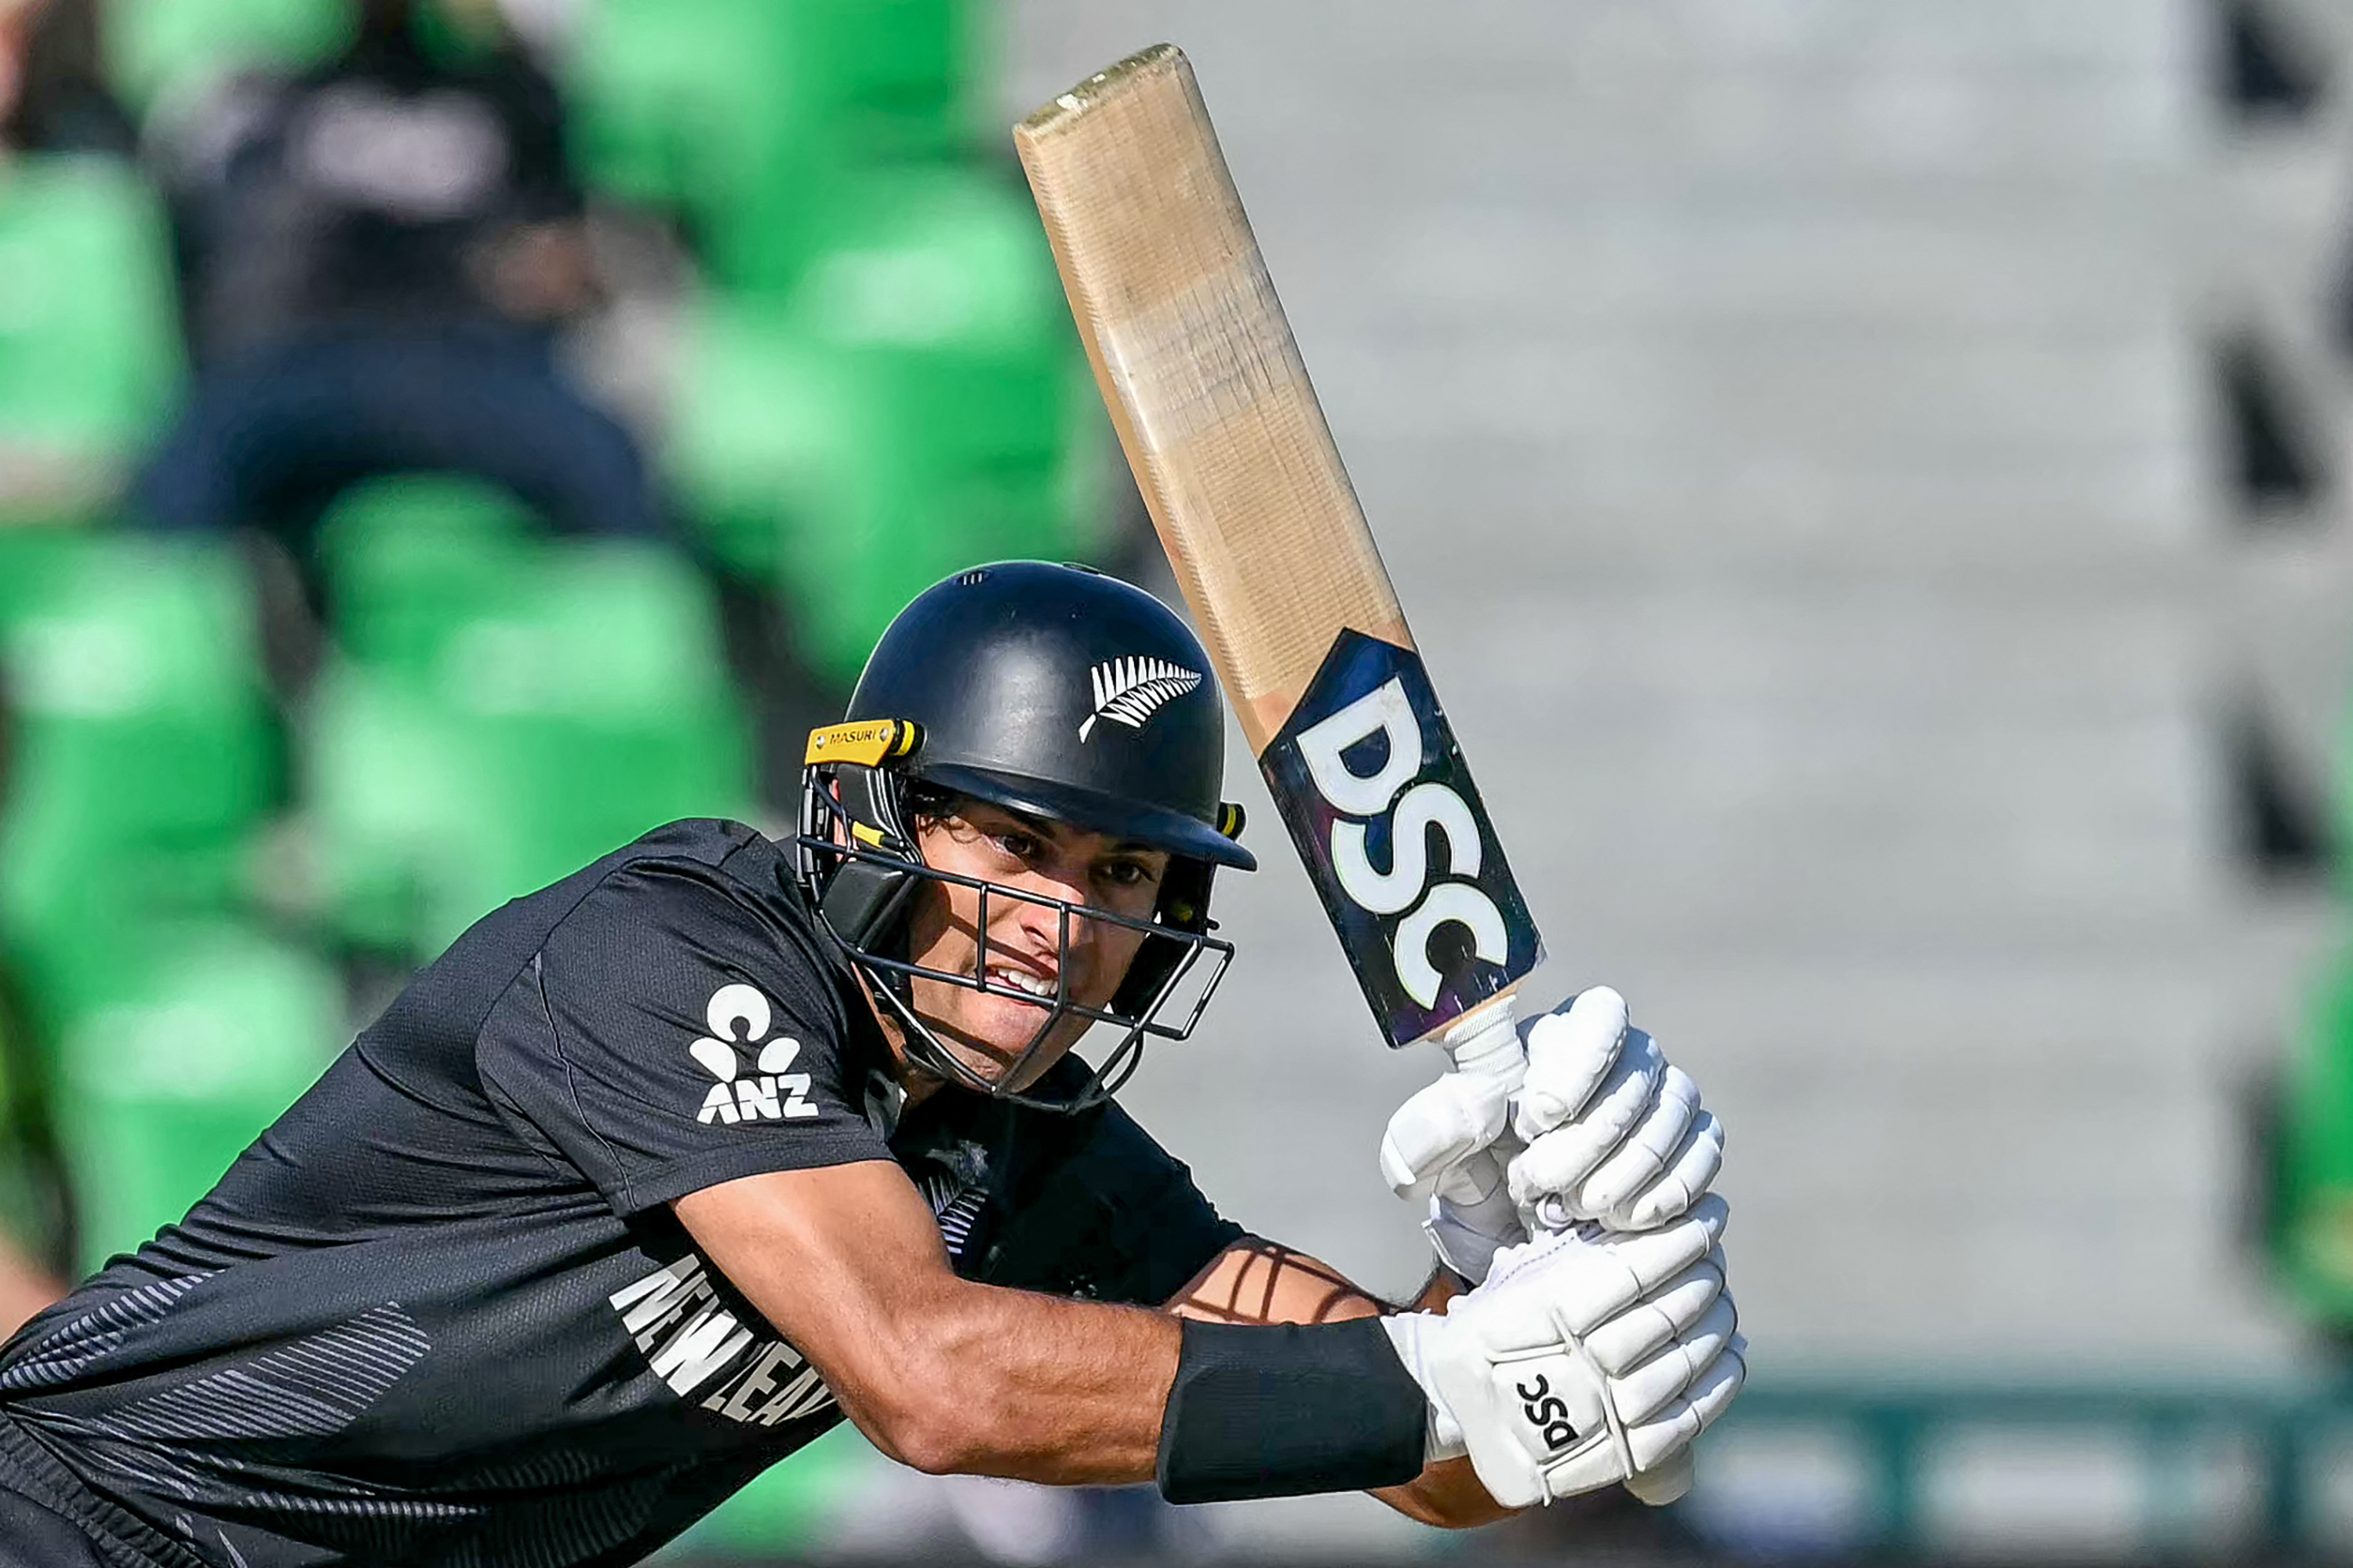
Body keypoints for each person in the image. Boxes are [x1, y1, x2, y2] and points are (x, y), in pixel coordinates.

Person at [0, 562, 1743, 1566]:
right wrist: (1450, 1378)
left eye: (1121, 874)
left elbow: (1431, 1463)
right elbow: (934, 1382)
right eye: (1008, 844)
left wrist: (1508, 1297)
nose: (1060, 924)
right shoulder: (671, 950)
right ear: (868, 816)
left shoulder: (1032, 1148)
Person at [132, 0, 657, 551]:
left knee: (605, 458)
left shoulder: (515, 99)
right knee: (191, 462)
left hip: (476, 358)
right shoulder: (279, 99)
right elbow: (226, 248)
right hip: (312, 357)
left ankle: (623, 628)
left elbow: (567, 255)